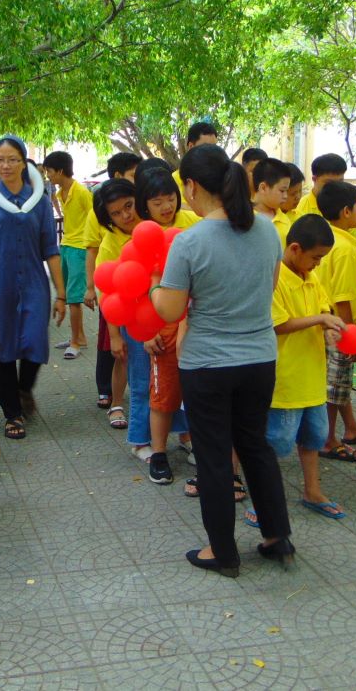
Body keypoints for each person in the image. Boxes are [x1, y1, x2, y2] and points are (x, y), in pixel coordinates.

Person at [150, 144, 293, 576]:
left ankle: (222, 552)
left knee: (214, 455)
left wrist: (156, 285)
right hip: (259, 358)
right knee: (255, 446)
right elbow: (266, 291)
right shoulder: (268, 230)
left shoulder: (190, 241)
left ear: (191, 186)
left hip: (208, 363)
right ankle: (276, 537)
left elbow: (170, 311)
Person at [0, 135, 66, 440]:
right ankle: (12, 414)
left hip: (33, 283)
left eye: (12, 159)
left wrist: (61, 294)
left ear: (24, 162)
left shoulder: (40, 202)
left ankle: (23, 389)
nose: (6, 166)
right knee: (4, 350)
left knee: (35, 344)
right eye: (0, 160)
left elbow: (51, 248)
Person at [249, 215, 348, 525]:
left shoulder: (309, 276)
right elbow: (278, 324)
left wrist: (327, 326)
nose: (318, 264)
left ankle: (312, 491)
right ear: (294, 248)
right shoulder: (274, 278)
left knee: (314, 438)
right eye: (316, 257)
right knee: (275, 443)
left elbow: (323, 308)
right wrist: (320, 322)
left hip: (312, 379)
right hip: (285, 381)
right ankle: (262, 500)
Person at [135, 168, 198, 482]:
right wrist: (147, 333)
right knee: (163, 393)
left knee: (198, 389)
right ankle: (158, 453)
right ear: (145, 205)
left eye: (170, 198)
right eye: (157, 201)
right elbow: (132, 287)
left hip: (197, 322)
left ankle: (193, 441)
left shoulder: (193, 225)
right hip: (161, 328)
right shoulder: (141, 233)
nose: (166, 207)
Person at [314, 180, 356, 462]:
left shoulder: (324, 238)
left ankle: (346, 430)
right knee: (334, 390)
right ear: (346, 211)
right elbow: (344, 297)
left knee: (333, 385)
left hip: (323, 322)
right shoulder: (344, 247)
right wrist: (351, 337)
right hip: (338, 326)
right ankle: (328, 440)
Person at [83, 153, 140, 411]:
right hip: (125, 310)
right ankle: (115, 401)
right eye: (116, 213)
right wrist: (115, 336)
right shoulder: (109, 244)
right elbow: (106, 289)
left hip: (162, 311)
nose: (125, 215)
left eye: (129, 206)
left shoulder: (157, 225)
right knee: (120, 355)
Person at [44, 150, 92, 358]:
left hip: (80, 248)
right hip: (66, 245)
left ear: (60, 171)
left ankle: (75, 343)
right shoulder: (59, 193)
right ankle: (78, 336)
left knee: (73, 298)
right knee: (64, 292)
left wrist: (91, 247)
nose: (48, 176)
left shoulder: (81, 192)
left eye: (49, 172)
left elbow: (95, 216)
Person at [289, 153, 347, 221]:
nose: (335, 187)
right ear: (314, 179)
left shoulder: (346, 207)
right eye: (329, 183)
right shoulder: (299, 208)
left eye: (340, 182)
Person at [251, 158, 293, 246]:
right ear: (263, 188)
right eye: (282, 191)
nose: (285, 196)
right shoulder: (245, 218)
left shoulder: (285, 220)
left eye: (287, 191)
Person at [172, 121, 218, 198]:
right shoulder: (174, 180)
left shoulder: (221, 178)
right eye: (206, 147)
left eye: (215, 148)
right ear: (191, 146)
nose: (212, 153)